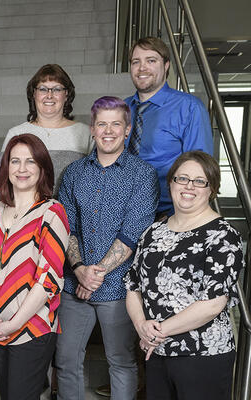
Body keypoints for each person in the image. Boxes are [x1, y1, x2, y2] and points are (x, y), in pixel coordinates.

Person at [55, 96, 159, 400]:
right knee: (66, 361)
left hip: (119, 288)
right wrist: (79, 270)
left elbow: (132, 235)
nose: (109, 131)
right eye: (102, 124)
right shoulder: (73, 173)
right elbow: (67, 227)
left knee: (121, 362)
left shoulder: (143, 175)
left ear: (127, 130)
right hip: (74, 285)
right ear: (92, 128)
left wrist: (94, 275)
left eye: (116, 124)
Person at [125, 151, 244, 400]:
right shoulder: (153, 232)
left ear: (212, 189)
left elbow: (213, 304)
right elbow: (133, 286)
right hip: (156, 352)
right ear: (171, 183)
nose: (189, 186)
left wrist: (157, 332)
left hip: (203, 355)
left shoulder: (223, 236)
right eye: (182, 178)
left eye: (200, 181)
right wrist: (141, 326)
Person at [0, 133, 69, 400]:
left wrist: (14, 324)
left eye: (30, 161)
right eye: (15, 161)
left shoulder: (52, 212)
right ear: (6, 168)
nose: (22, 168)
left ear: (42, 168)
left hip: (32, 328)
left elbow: (49, 280)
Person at [125, 37, 213, 216]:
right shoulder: (121, 108)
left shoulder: (189, 107)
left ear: (166, 65)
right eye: (136, 62)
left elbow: (201, 170)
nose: (142, 68)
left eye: (151, 61)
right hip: (123, 211)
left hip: (168, 214)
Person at [1, 64, 93, 190]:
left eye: (57, 89)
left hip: (72, 203)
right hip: (26, 203)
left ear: (66, 94)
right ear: (34, 94)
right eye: (43, 89)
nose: (49, 95)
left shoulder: (85, 133)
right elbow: (3, 184)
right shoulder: (16, 133)